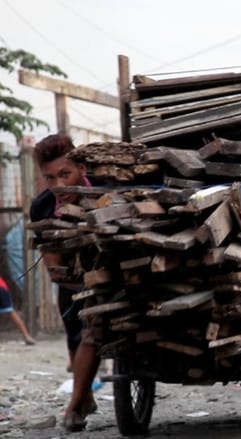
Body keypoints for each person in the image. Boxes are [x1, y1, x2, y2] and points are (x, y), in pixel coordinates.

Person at [30, 134, 99, 431]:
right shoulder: (42, 207)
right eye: (49, 178)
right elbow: (53, 266)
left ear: (82, 168)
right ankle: (84, 396)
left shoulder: (105, 190)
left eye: (64, 174)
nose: (58, 185)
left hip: (112, 273)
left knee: (90, 333)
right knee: (75, 336)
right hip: (72, 281)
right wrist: (78, 284)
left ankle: (73, 408)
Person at [0, 275, 36, 345]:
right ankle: (27, 337)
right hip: (2, 287)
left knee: (10, 311)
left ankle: (27, 337)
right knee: (11, 311)